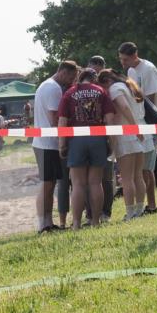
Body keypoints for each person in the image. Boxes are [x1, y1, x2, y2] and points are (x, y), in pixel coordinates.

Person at [58, 68, 116, 229]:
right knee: (96, 183)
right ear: (94, 78)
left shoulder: (70, 93)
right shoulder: (101, 91)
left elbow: (62, 121)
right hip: (98, 138)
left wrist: (62, 144)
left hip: (76, 139)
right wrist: (112, 142)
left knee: (78, 184)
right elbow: (110, 119)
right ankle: (96, 221)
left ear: (79, 77)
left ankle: (76, 223)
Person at [119, 42, 157, 214]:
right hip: (141, 124)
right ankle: (146, 204)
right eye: (121, 59)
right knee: (141, 169)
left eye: (125, 59)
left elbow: (151, 100)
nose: (123, 63)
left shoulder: (148, 69)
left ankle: (152, 205)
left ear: (135, 55)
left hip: (151, 123)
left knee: (147, 168)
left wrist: (146, 124)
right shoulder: (131, 71)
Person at [32, 61, 79, 232]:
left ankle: (48, 222)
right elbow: (55, 119)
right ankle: (43, 224)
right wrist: (63, 141)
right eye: (71, 77)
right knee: (47, 185)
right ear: (63, 73)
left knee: (50, 184)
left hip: (43, 142)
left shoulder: (46, 85)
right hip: (48, 144)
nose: (71, 82)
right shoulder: (54, 89)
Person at [99, 69, 146, 221]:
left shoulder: (114, 89)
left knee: (127, 178)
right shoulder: (127, 86)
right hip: (138, 136)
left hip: (126, 136)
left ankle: (130, 213)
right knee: (138, 176)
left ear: (107, 82)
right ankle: (140, 209)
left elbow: (124, 107)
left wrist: (134, 128)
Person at [88, 55, 114, 219]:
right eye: (93, 73)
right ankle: (90, 213)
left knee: (106, 177)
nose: (95, 77)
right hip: (87, 136)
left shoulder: (106, 89)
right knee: (89, 178)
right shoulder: (82, 87)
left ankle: (105, 212)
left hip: (104, 135)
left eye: (98, 73)